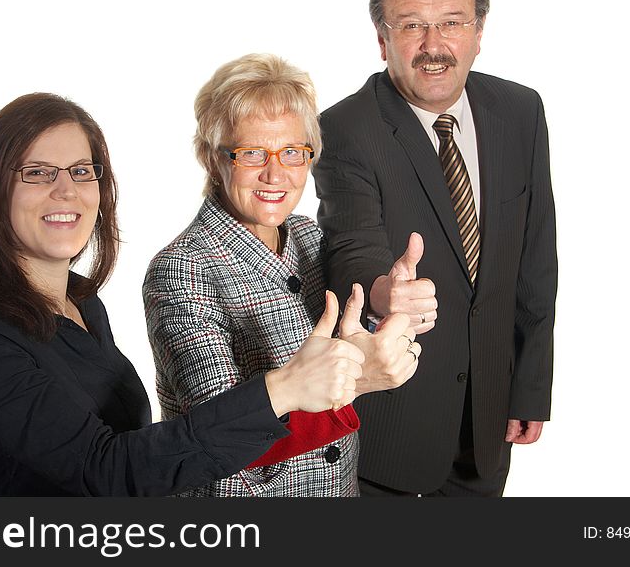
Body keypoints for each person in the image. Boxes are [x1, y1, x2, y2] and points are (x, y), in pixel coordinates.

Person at [0, 92, 373, 497]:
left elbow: (155, 454)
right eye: (37, 173)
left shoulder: (82, 305)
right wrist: (282, 389)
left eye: (82, 171)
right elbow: (106, 472)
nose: (66, 190)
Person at [314, 0, 557, 497]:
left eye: (451, 23)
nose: (433, 47)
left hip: (491, 419)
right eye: (411, 27)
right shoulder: (344, 130)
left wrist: (529, 385)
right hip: (394, 426)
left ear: (478, 30)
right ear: (382, 40)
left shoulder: (521, 112)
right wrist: (382, 293)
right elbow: (349, 244)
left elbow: (535, 261)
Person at [143, 54, 424, 497]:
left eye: (292, 152)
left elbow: (344, 343)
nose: (276, 173)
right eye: (252, 152)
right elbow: (221, 439)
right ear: (210, 158)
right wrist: (362, 378)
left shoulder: (309, 238)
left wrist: (388, 312)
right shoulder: (182, 269)